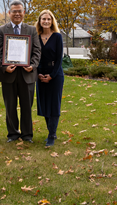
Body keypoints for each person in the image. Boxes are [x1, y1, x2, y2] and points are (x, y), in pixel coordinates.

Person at [0, 0, 41, 143]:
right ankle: (13, 134)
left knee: (27, 106)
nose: (17, 14)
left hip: (27, 74)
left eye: (20, 11)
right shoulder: (1, 30)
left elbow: (37, 51)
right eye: (14, 11)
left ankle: (27, 135)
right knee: (10, 106)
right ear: (9, 13)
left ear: (24, 13)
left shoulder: (32, 30)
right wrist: (4, 67)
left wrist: (32, 65)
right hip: (8, 74)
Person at [34, 10, 64, 147]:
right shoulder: (36, 37)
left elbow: (59, 59)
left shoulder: (57, 37)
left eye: (48, 19)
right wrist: (38, 74)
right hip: (40, 74)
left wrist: (51, 76)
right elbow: (33, 56)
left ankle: (51, 135)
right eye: (43, 19)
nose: (46, 21)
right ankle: (51, 130)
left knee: (54, 104)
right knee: (44, 104)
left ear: (52, 21)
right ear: (39, 21)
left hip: (55, 74)